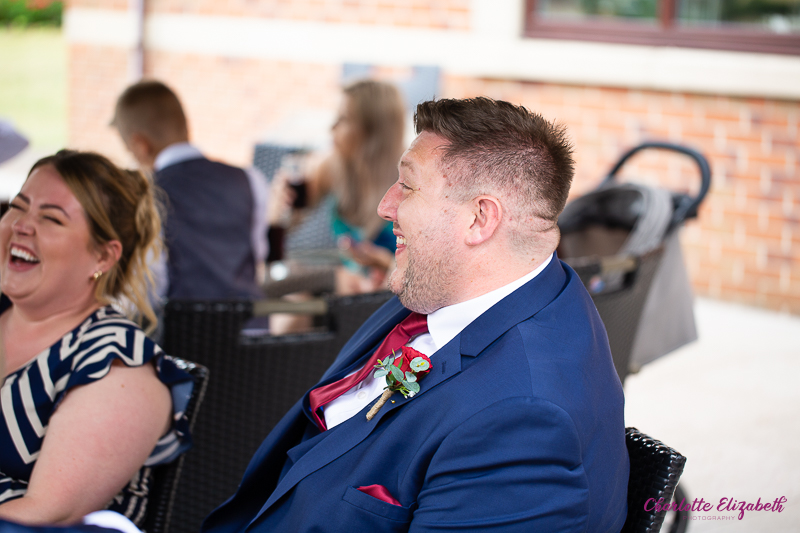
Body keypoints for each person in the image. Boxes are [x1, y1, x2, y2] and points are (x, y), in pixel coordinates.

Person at [199, 97, 629, 532]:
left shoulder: (524, 423)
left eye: (407, 186)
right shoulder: (451, 285)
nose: (386, 206)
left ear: (480, 218)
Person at [0, 151, 194, 526]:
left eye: (51, 218)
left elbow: (48, 514)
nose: (21, 225)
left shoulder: (117, 367)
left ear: (103, 257)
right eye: (18, 207)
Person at [112, 80, 268, 302]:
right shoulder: (250, 179)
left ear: (140, 144)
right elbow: (257, 255)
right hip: (252, 320)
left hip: (182, 322)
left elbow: (151, 284)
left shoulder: (147, 194)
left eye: (129, 150)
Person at [270, 79, 405, 295]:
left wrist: (385, 263)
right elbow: (284, 228)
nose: (331, 127)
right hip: (348, 291)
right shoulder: (331, 168)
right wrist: (278, 210)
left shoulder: (409, 180)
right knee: (293, 296)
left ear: (373, 130)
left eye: (344, 119)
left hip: (393, 295)